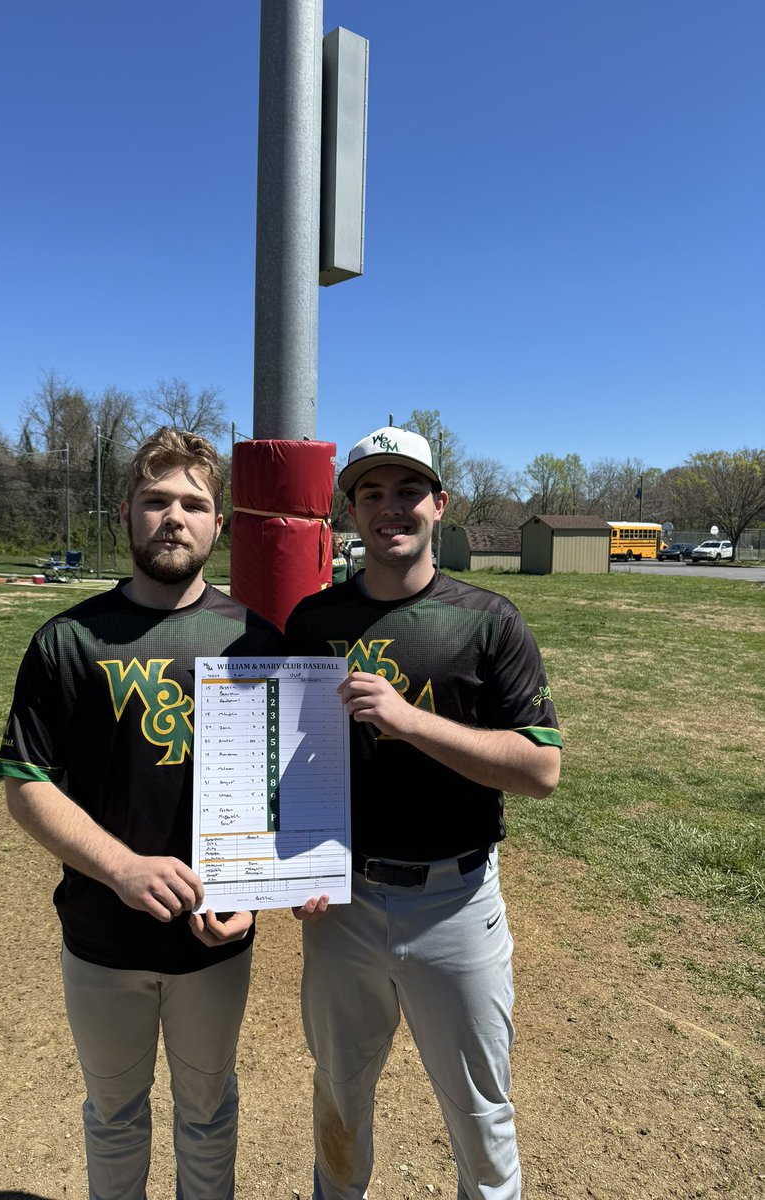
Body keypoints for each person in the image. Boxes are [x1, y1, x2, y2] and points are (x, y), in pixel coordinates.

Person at [0, 428, 282, 1200]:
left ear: (218, 524)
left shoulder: (256, 639)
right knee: (114, 1116)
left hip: (212, 943)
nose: (174, 517)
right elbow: (27, 783)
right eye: (156, 500)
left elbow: (276, 790)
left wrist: (249, 890)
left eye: (194, 503)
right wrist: (121, 867)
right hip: (100, 936)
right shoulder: (68, 640)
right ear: (125, 513)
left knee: (207, 1115)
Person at [285, 425, 562, 1200]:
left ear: (440, 504)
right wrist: (290, 865)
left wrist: (408, 721)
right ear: (350, 513)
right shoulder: (311, 623)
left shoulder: (488, 621)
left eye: (408, 490)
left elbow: (541, 768)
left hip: (457, 900)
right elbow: (289, 764)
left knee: (480, 1115)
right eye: (370, 493)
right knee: (339, 1101)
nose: (390, 507)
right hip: (344, 905)